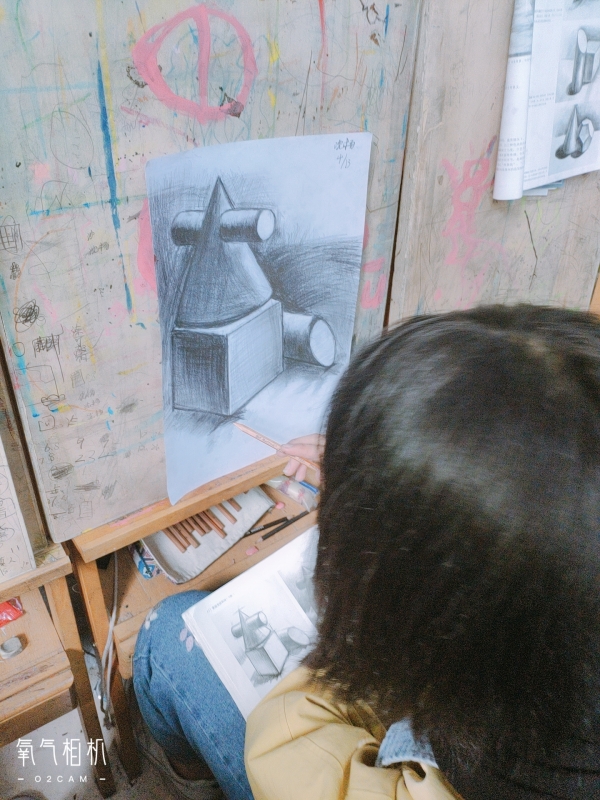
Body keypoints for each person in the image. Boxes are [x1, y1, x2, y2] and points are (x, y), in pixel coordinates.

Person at [133, 305, 600, 800]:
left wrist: (365, 551)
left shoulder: (508, 766)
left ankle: (195, 781)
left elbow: (286, 744)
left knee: (168, 636)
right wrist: (390, 483)